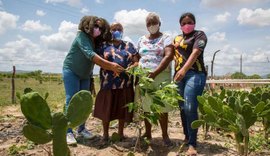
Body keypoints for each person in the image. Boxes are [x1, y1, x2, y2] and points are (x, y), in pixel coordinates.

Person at [62, 16, 124, 145]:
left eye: (100, 28)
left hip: (85, 75)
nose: (97, 29)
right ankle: (68, 131)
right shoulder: (81, 36)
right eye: (95, 26)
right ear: (87, 25)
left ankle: (81, 129)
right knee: (71, 99)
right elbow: (91, 55)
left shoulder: (95, 40)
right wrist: (111, 66)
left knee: (85, 101)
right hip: (72, 71)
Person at [94, 22, 139, 142]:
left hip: (125, 83)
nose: (117, 31)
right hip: (108, 83)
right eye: (114, 29)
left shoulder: (129, 45)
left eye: (119, 29)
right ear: (110, 31)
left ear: (123, 31)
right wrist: (110, 67)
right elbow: (98, 61)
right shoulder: (103, 45)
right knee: (106, 109)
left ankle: (120, 133)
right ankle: (105, 135)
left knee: (122, 110)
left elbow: (136, 61)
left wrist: (133, 67)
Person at [137, 12, 174, 146]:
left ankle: (164, 135)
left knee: (162, 105)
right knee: (147, 105)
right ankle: (148, 132)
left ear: (159, 24)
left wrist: (155, 72)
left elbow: (169, 55)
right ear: (146, 26)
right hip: (144, 76)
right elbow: (137, 56)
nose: (152, 25)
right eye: (149, 23)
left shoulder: (166, 38)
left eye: (154, 22)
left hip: (161, 75)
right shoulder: (141, 39)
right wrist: (135, 67)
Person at [173, 12, 207, 155]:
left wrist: (184, 70)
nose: (187, 25)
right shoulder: (177, 38)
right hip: (178, 76)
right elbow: (174, 56)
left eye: (189, 22)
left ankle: (193, 144)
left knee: (189, 106)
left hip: (195, 73)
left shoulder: (199, 35)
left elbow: (195, 53)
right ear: (180, 26)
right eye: (184, 23)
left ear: (194, 23)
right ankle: (187, 137)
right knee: (182, 107)